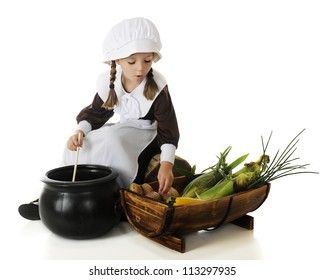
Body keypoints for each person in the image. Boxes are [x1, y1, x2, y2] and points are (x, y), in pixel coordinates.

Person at [18, 17, 180, 220]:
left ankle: (115, 199)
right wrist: (80, 132)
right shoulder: (111, 82)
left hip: (149, 135)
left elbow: (168, 128)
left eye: (147, 60)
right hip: (125, 128)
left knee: (113, 139)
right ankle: (59, 196)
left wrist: (167, 164)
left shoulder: (157, 86)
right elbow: (96, 113)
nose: (140, 68)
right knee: (85, 144)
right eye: (132, 62)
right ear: (118, 60)